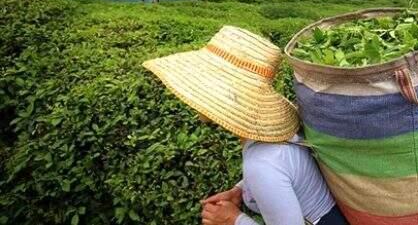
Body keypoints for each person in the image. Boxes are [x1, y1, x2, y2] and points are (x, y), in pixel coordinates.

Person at [142, 26, 348, 225]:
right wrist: (240, 190)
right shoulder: (266, 143)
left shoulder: (261, 164)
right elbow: (285, 175)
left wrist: (232, 219)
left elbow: (269, 170)